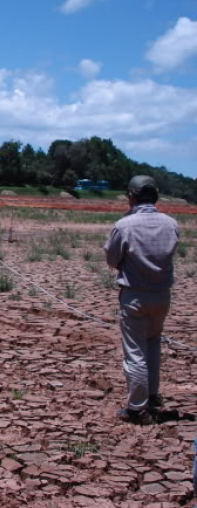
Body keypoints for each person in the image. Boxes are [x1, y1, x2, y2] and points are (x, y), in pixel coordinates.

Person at [104, 175, 178, 425]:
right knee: (153, 344)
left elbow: (112, 259)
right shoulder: (171, 223)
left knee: (135, 352)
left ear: (132, 196)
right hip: (162, 295)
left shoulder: (125, 225)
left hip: (135, 294)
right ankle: (153, 395)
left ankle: (136, 407)